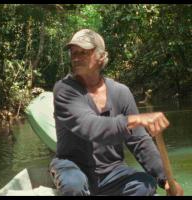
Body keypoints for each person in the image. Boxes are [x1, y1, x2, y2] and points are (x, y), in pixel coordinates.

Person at [49, 29, 183, 196]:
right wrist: (135, 120)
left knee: (146, 184)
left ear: (101, 57)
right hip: (73, 165)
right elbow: (91, 127)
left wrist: (166, 180)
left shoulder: (121, 92)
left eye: (83, 52)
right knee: (73, 185)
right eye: (73, 53)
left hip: (112, 171)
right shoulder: (64, 90)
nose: (76, 58)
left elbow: (139, 141)